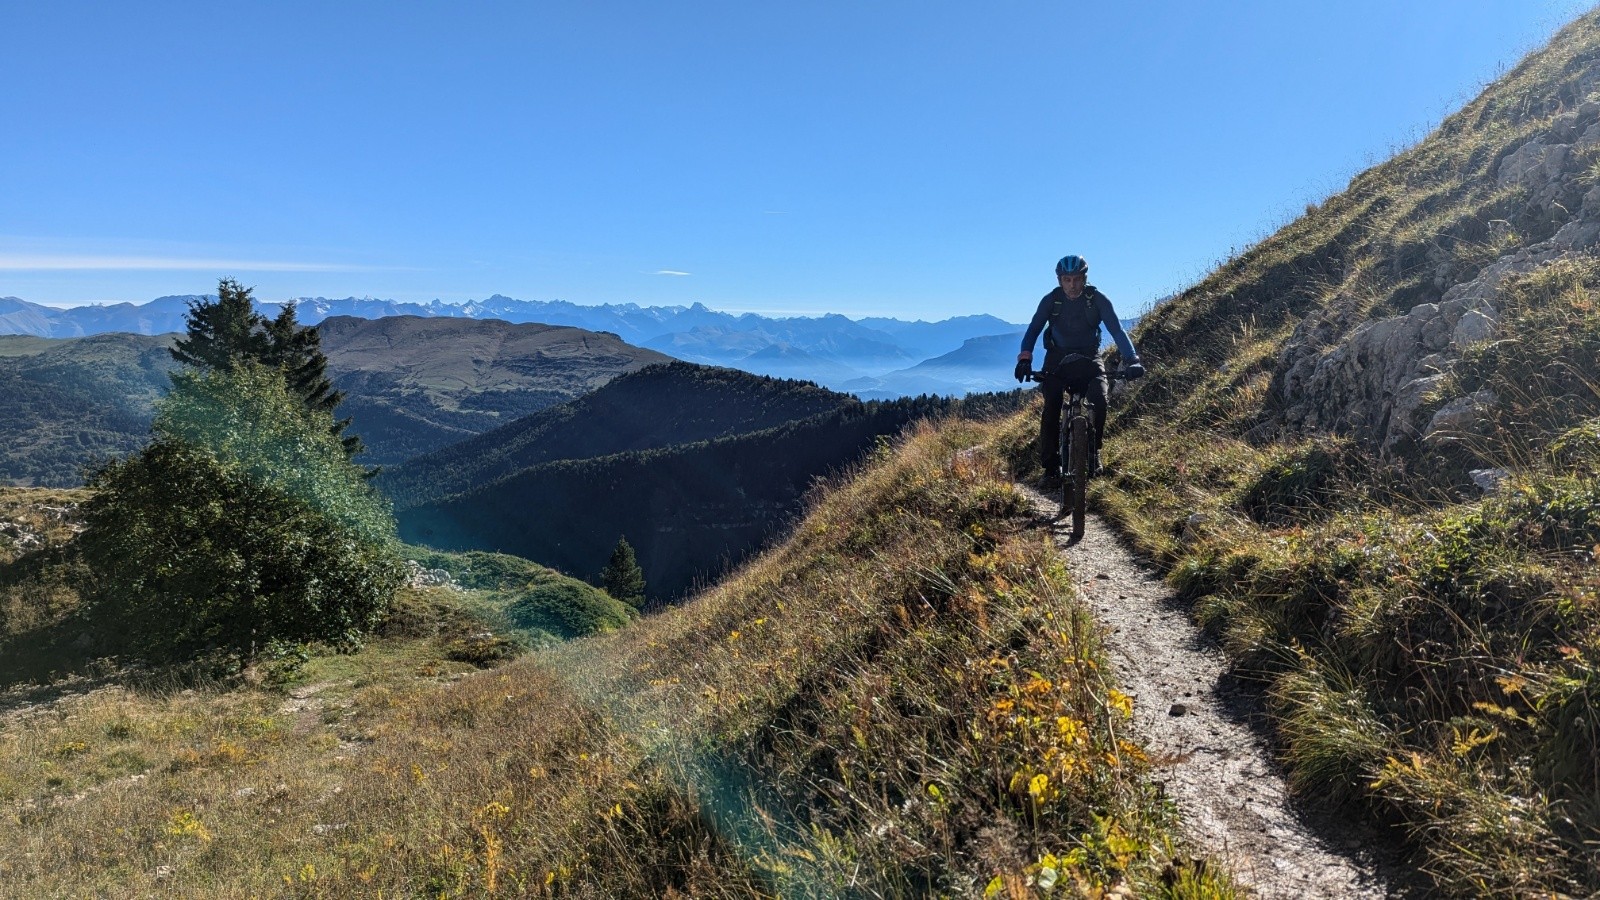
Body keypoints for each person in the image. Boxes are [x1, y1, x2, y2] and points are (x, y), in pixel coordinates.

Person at [1014, 254, 1144, 481]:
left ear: (1084, 278)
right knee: (1052, 405)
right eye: (1066, 280)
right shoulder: (1051, 301)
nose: (1072, 285)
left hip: (1089, 359)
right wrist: (1025, 359)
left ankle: (1094, 453)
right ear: (1059, 280)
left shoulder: (1097, 300)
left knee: (1100, 400)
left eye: (1076, 279)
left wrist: (1132, 359)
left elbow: (1117, 331)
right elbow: (1033, 329)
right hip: (1057, 361)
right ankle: (1050, 467)